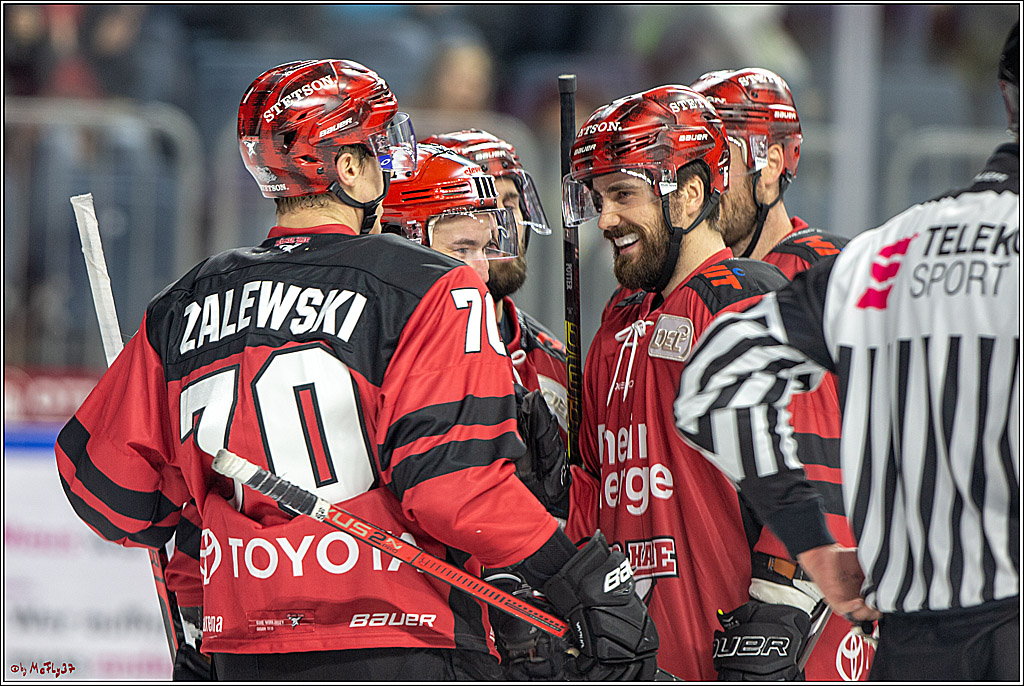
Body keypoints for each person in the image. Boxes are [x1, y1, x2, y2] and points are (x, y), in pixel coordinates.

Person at [55, 58, 658, 681]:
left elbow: (101, 491)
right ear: (348, 168)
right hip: (398, 639)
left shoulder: (186, 299)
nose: (390, 168)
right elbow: (453, 490)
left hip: (246, 650)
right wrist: (578, 575)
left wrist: (213, 532)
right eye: (381, 152)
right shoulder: (431, 286)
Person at [674, 22, 1019, 682]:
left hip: (904, 633)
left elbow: (717, 386)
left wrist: (807, 553)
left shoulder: (875, 256)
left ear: (1005, 99)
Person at [558, 85, 789, 681]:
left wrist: (784, 608)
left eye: (623, 194)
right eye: (599, 197)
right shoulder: (618, 318)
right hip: (634, 657)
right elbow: (602, 488)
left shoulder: (742, 300)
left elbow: (827, 467)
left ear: (688, 193)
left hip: (727, 654)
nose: (606, 218)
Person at [689, 67, 872, 680]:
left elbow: (831, 457)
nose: (708, 183)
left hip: (832, 596)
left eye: (723, 162)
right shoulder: (693, 292)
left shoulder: (821, 276)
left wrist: (785, 595)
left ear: (771, 166)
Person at [421, 130, 569, 439]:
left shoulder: (556, 364)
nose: (500, 226)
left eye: (510, 204)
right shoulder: (398, 352)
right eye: (482, 206)